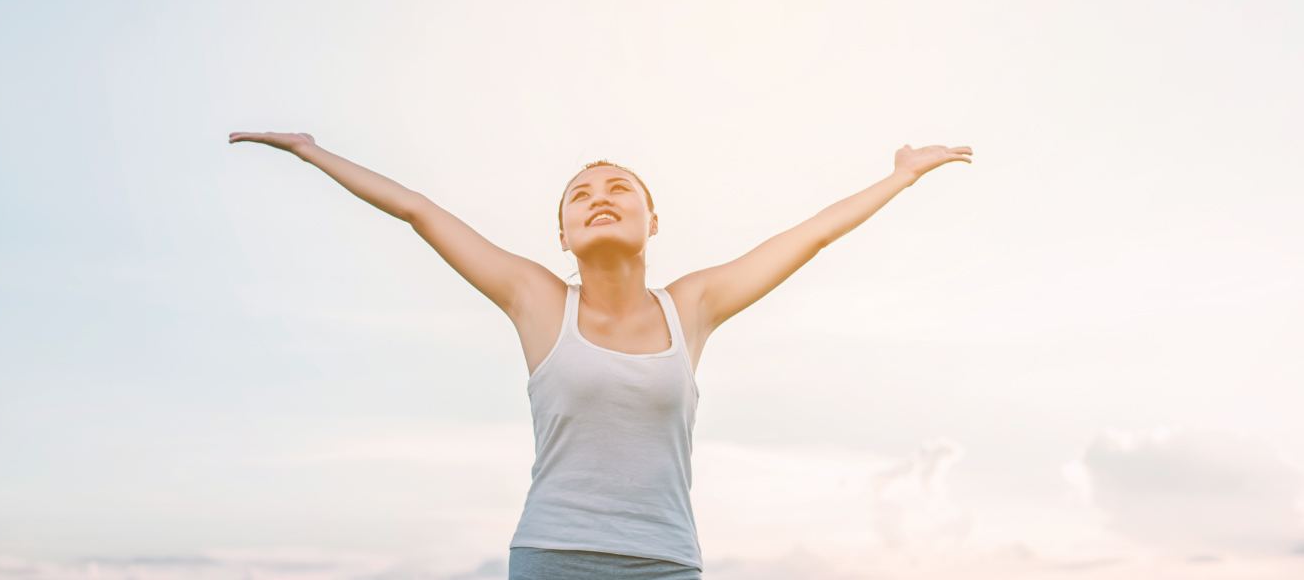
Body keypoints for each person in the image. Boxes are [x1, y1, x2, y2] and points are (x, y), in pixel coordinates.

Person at [229, 131, 972, 579]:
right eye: (580, 195)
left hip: (666, 563)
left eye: (620, 189)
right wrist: (312, 151)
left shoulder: (693, 307)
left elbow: (806, 235)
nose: (601, 197)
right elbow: (418, 209)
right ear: (562, 235)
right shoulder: (538, 300)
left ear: (653, 221)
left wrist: (900, 177)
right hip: (554, 557)